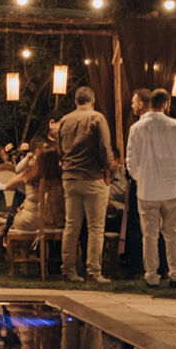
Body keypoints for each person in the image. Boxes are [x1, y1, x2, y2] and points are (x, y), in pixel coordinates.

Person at [125, 88, 176, 287]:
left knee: (149, 236)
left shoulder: (136, 128)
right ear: (166, 104)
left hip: (147, 190)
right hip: (171, 188)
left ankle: (152, 276)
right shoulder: (175, 125)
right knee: (172, 234)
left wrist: (139, 178)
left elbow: (130, 160)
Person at [58, 85, 116, 282]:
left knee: (71, 226)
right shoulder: (97, 118)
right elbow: (104, 147)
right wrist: (107, 169)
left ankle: (68, 269)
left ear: (75, 101)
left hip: (70, 177)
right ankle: (93, 271)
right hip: (92, 177)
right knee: (96, 227)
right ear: (93, 101)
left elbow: (60, 149)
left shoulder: (64, 120)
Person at [117, 89, 153, 277]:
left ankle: (137, 266)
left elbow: (130, 158)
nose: (131, 106)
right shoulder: (167, 125)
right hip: (160, 182)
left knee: (137, 225)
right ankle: (159, 266)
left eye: (133, 102)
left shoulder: (137, 128)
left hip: (141, 182)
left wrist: (135, 178)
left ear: (140, 104)